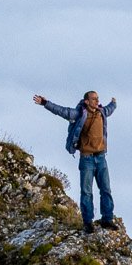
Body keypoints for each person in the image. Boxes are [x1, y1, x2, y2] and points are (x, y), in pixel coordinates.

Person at [33, 90, 119, 233]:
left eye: (97, 99)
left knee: (106, 189)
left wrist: (114, 103)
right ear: (86, 101)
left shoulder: (101, 112)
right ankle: (87, 222)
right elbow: (62, 111)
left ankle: (107, 219)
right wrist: (45, 103)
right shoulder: (79, 114)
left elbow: (110, 109)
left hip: (101, 157)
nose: (97, 101)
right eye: (93, 99)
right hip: (87, 159)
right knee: (86, 192)